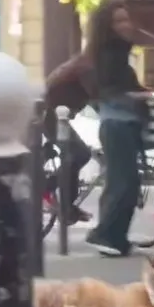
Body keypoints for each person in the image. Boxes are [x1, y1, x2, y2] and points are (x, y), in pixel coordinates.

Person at [84, 0, 150, 256]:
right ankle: (105, 234)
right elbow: (109, 93)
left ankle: (117, 238)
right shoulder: (108, 55)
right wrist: (139, 97)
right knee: (122, 183)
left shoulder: (119, 53)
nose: (126, 25)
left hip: (122, 124)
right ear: (107, 26)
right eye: (119, 21)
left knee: (127, 183)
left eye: (126, 19)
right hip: (117, 124)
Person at [44, 48, 94, 224]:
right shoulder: (87, 66)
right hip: (47, 112)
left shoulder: (84, 62)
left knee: (76, 154)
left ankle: (67, 207)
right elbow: (97, 95)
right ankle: (55, 196)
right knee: (79, 154)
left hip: (52, 113)